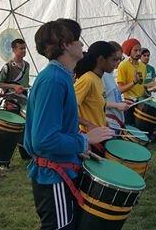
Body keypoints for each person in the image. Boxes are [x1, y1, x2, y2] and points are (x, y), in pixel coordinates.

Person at [24, 19, 113, 229]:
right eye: (77, 40)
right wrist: (84, 139)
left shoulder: (61, 77)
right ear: (64, 44)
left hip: (63, 168)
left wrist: (79, 151)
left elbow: (59, 129)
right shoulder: (53, 80)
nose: (82, 45)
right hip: (53, 176)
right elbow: (44, 140)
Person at [74, 41, 118, 154]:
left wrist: (103, 122)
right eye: (113, 59)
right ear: (101, 60)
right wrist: (89, 125)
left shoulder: (98, 79)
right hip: (90, 138)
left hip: (101, 134)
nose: (116, 63)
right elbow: (68, 109)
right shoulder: (87, 79)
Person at [0, 38, 31, 162]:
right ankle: (4, 161)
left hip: (24, 102)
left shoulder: (27, 65)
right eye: (20, 48)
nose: (23, 51)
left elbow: (25, 83)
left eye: (24, 48)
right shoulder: (8, 66)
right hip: (11, 102)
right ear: (14, 50)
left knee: (24, 128)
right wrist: (13, 86)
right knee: (10, 131)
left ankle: (25, 154)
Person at [116, 38, 146, 125]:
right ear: (129, 51)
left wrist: (149, 88)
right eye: (135, 50)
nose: (138, 53)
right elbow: (120, 89)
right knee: (130, 129)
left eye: (140, 50)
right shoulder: (123, 66)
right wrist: (133, 82)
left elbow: (141, 85)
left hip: (141, 103)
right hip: (129, 104)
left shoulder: (143, 66)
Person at [102, 41, 130, 130]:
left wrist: (121, 103)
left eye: (120, 59)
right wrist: (117, 105)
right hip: (109, 123)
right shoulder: (101, 76)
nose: (118, 62)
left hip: (117, 122)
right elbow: (97, 103)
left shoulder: (110, 74)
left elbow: (111, 95)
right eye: (115, 59)